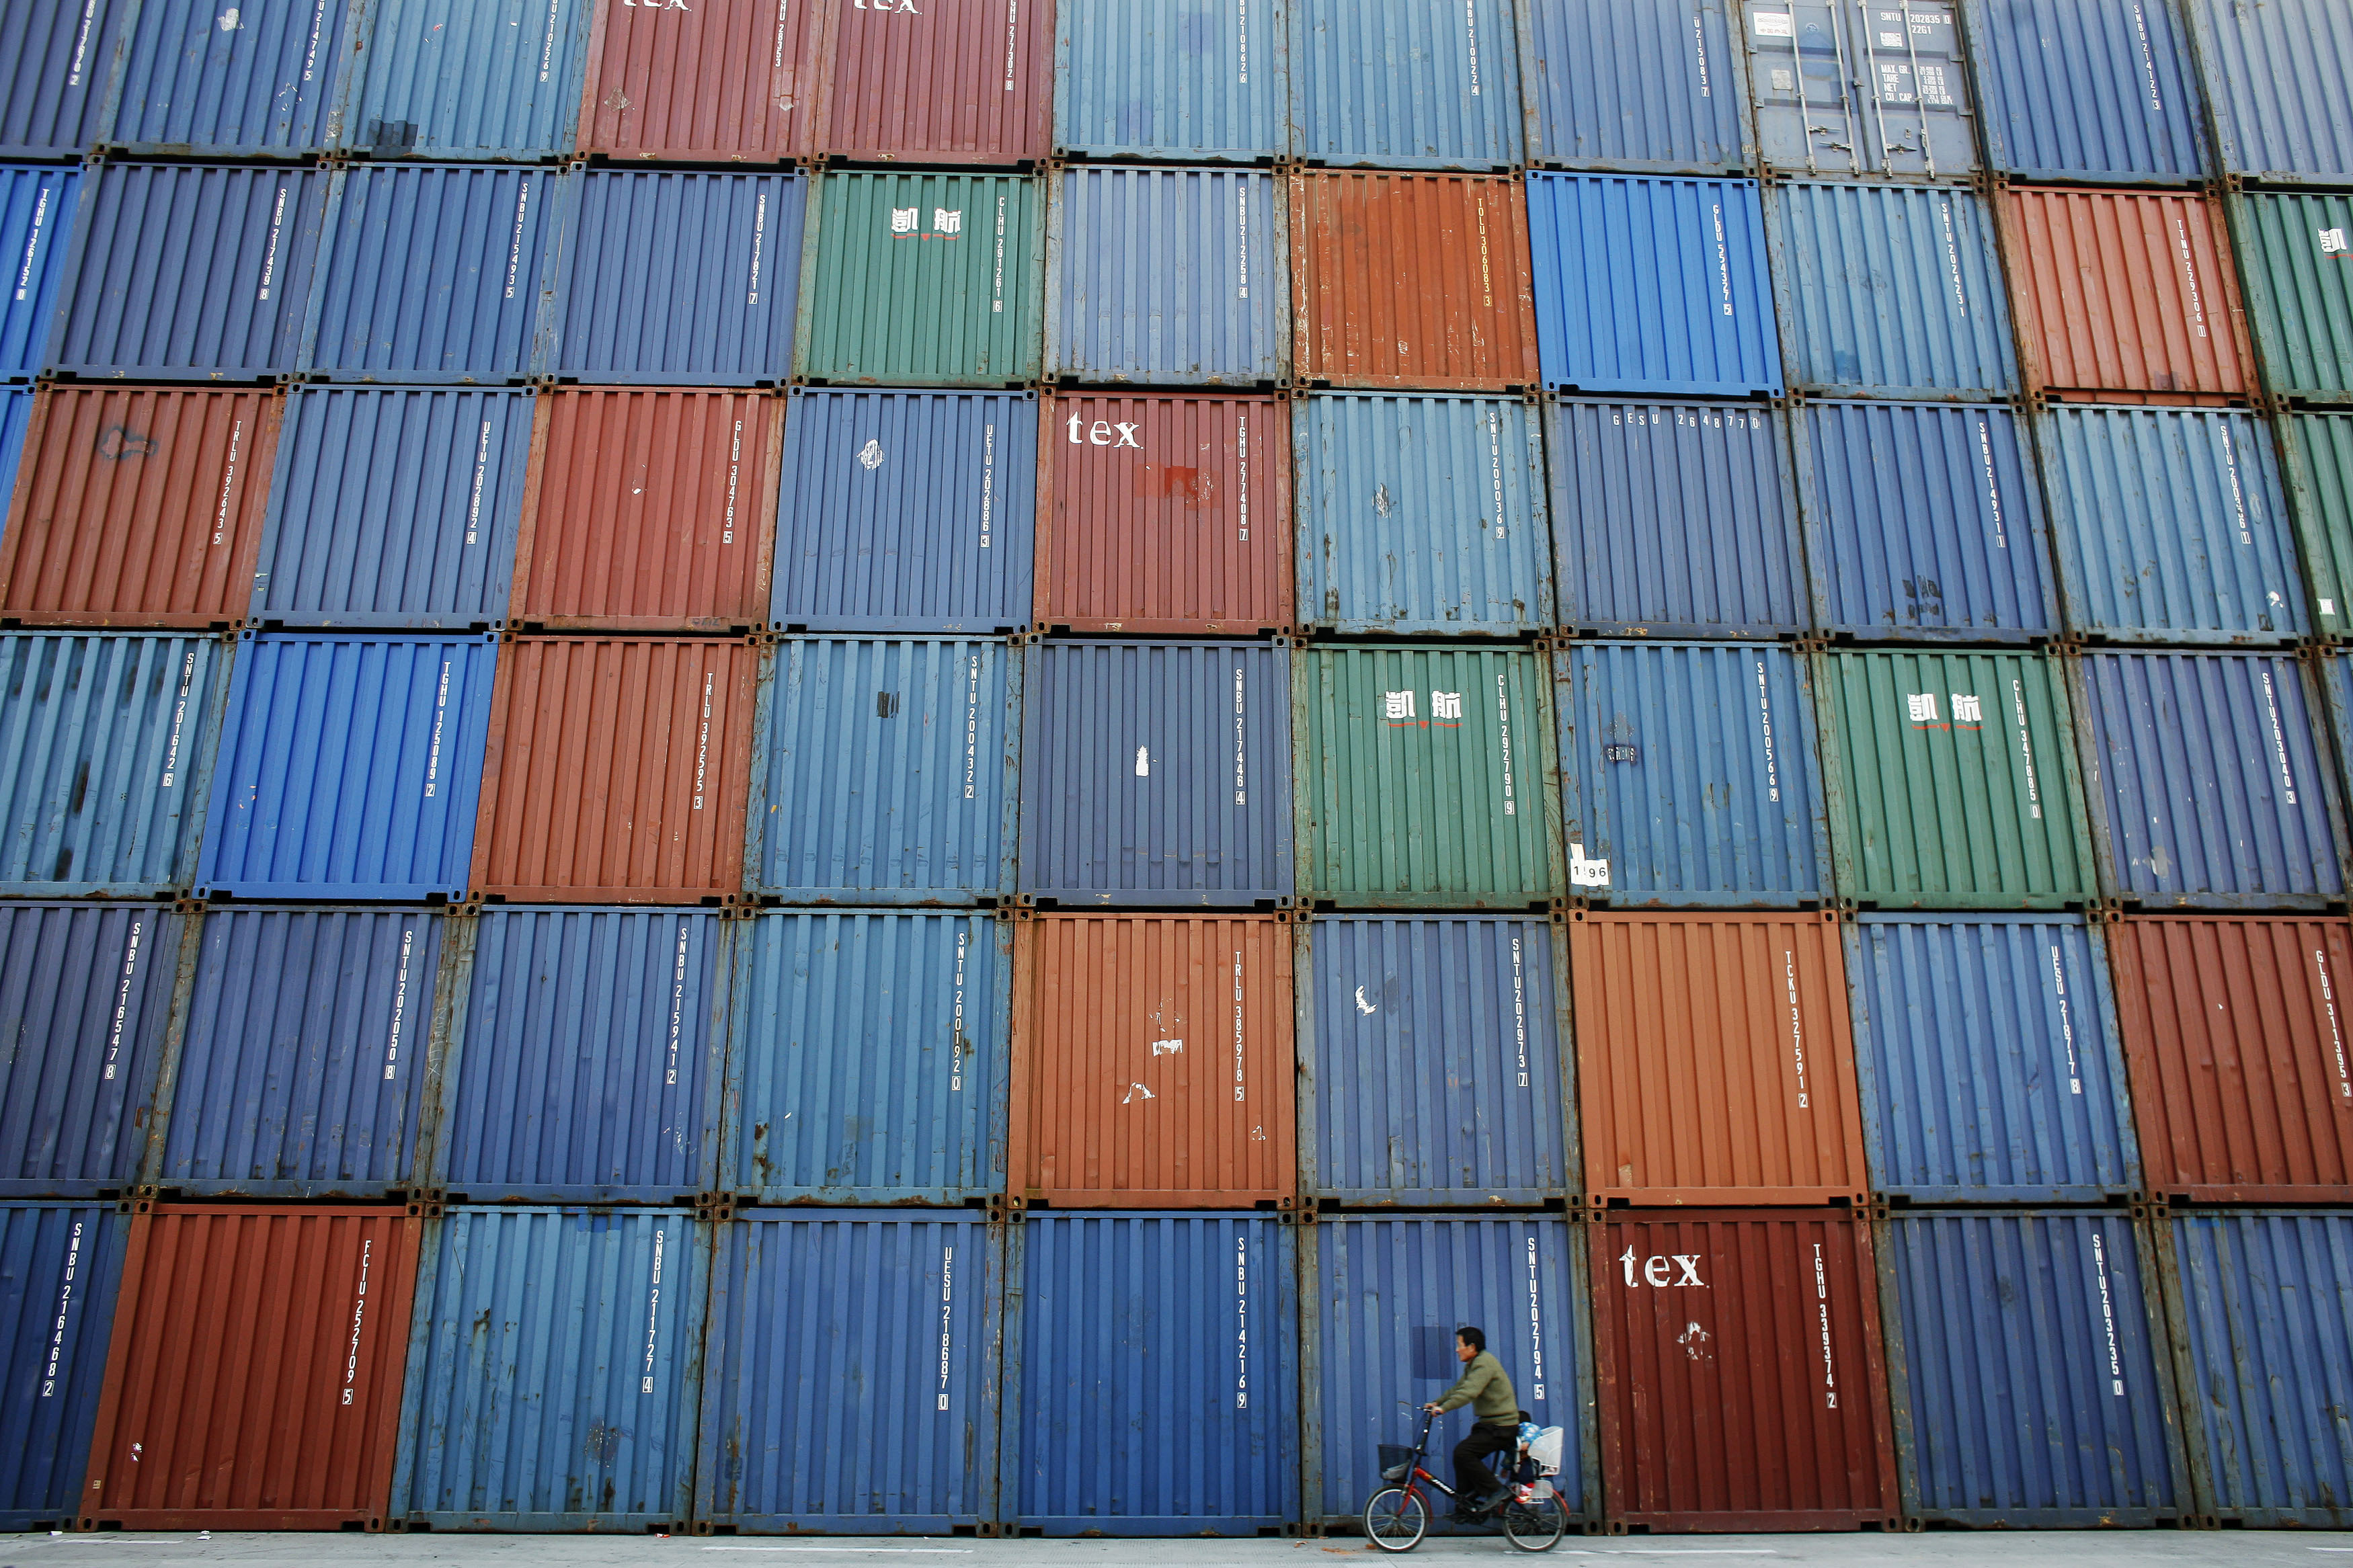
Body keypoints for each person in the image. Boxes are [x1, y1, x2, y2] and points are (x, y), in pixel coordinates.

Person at [1421, 1325, 1521, 1519]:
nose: (1457, 1350)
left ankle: (1496, 1491)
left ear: (1472, 1347)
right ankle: (1467, 1505)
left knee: (1463, 1453)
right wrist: (1437, 1402)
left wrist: (1444, 1409)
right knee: (1461, 1455)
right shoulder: (1474, 1364)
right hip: (1491, 1425)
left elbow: (1469, 1393)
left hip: (1502, 1427)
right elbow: (1458, 1388)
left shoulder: (1484, 1364)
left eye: (1460, 1345)